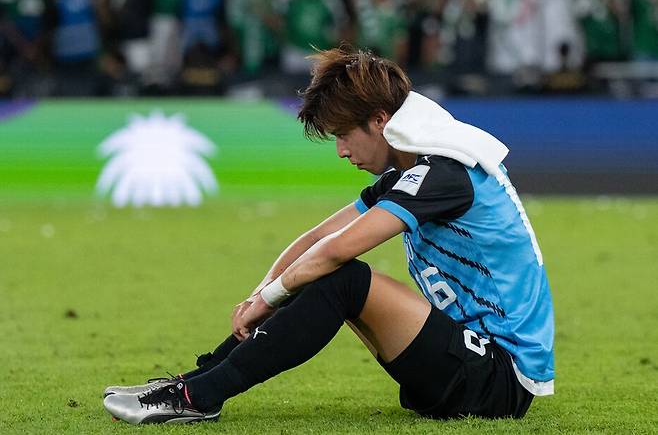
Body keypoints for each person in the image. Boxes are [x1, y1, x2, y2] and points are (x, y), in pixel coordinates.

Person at [103, 46, 555, 424]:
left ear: (380, 121)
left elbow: (337, 250)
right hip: (466, 357)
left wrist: (268, 300)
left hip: (499, 380)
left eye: (343, 134)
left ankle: (198, 397)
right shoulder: (413, 172)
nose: (341, 151)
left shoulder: (445, 175)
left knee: (342, 278)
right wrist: (261, 294)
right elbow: (317, 238)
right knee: (321, 271)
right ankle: (193, 384)